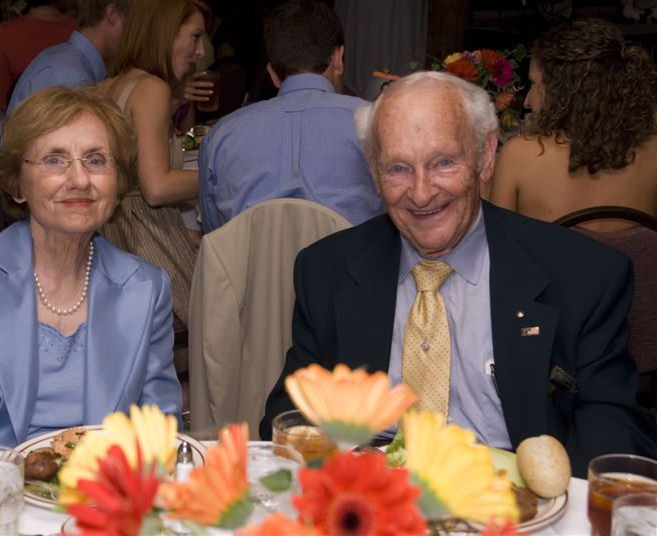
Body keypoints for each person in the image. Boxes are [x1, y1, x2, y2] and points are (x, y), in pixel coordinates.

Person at [259, 71, 657, 476]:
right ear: (374, 172)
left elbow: (616, 431)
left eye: (444, 162)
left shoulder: (582, 276)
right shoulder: (326, 271)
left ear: (485, 155)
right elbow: (289, 416)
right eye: (398, 168)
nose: (421, 193)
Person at [0, 86, 182, 463]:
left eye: (96, 160)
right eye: (54, 160)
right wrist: (13, 484)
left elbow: (159, 435)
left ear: (118, 185)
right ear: (17, 185)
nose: (79, 179)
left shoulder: (146, 287)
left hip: (102, 492)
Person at [198, 0, 384, 233]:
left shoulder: (220, 136)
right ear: (338, 59)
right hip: (353, 257)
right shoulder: (375, 123)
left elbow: (215, 234)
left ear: (272, 74)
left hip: (251, 258)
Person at [99, 0, 210, 327]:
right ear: (166, 33)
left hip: (116, 236)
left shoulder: (115, 82)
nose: (201, 51)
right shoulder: (152, 89)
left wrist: (187, 111)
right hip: (145, 241)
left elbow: (179, 140)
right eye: (195, 37)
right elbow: (157, 187)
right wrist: (221, 175)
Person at [489, 19, 657, 229]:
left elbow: (498, 244)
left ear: (560, 91)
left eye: (533, 83)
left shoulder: (518, 155)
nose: (527, 102)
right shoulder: (653, 150)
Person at [5, 0, 128, 116]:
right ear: (112, 14)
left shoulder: (68, 60)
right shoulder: (72, 78)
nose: (133, 32)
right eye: (130, 20)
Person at [0, 0, 77, 112]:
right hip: (73, 114)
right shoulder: (79, 30)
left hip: (23, 117)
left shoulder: (5, 32)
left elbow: (3, 101)